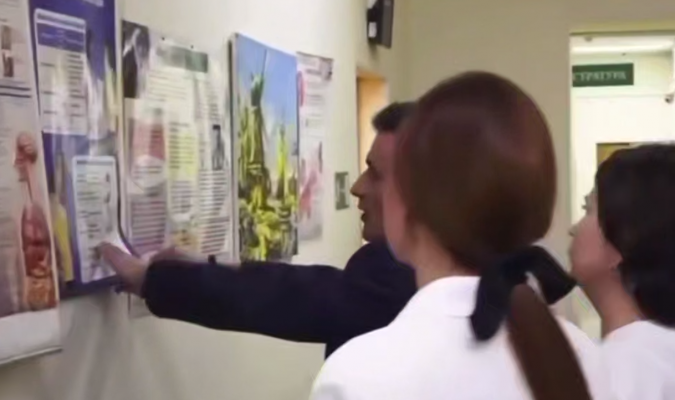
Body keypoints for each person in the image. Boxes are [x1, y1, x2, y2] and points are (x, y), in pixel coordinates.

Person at [310, 72, 614, 400]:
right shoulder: (583, 357)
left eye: (379, 175)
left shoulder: (361, 374)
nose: (359, 187)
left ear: (412, 198)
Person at [100, 102, 417, 357]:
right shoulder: (420, 273)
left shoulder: (395, 275)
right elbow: (300, 287)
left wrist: (153, 280)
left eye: (375, 174)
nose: (357, 187)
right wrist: (210, 264)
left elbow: (286, 297)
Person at [569, 144, 675, 400]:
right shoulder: (656, 355)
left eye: (588, 210)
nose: (573, 229)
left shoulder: (622, 370)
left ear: (623, 241)